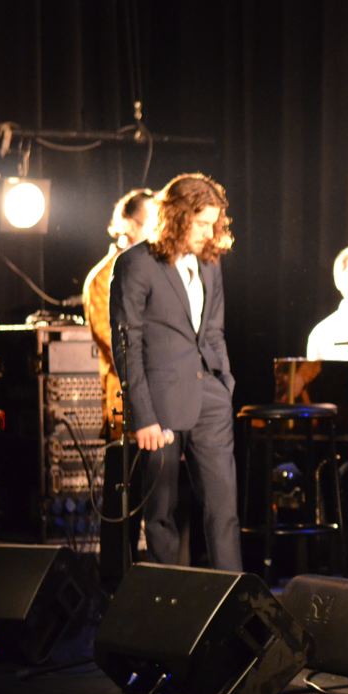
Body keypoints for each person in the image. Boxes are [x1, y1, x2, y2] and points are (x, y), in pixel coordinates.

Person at [110, 173, 242, 570]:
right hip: (161, 406)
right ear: (178, 216)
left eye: (214, 223)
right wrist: (143, 417)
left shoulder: (210, 264)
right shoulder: (137, 264)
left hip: (211, 402)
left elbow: (213, 330)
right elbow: (127, 345)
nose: (209, 232)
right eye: (201, 223)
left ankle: (233, 605)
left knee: (224, 512)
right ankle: (166, 607)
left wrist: (224, 384)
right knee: (161, 515)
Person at [82, 188, 154, 440]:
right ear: (129, 226)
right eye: (153, 222)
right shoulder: (102, 279)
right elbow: (117, 344)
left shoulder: (158, 272)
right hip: (128, 406)